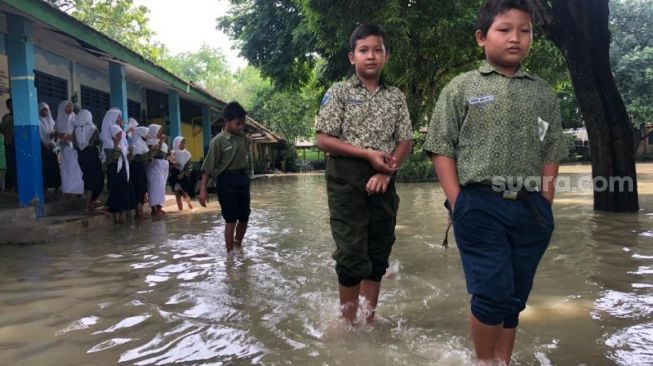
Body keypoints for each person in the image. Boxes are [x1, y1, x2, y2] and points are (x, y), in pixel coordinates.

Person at [423, 1, 568, 363]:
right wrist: (459, 202)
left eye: (525, 30)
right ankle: (484, 361)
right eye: (504, 29)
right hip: (479, 203)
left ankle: (502, 360)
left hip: (530, 207)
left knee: (514, 297)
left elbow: (551, 150)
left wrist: (545, 202)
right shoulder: (462, 88)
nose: (515, 38)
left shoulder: (543, 93)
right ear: (481, 37)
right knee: (491, 293)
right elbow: (441, 146)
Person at [314, 24, 413, 325]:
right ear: (351, 57)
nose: (371, 56)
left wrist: (387, 171)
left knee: (378, 251)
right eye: (363, 50)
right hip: (346, 179)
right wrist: (367, 155)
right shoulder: (339, 92)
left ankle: (368, 320)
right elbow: (323, 139)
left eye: (377, 50)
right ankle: (347, 324)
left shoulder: (395, 97)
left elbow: (405, 139)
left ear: (386, 56)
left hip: (385, 177)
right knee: (350, 255)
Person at [199, 102, 251, 253]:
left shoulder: (243, 139)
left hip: (242, 178)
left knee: (244, 216)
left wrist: (246, 178)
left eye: (243, 124)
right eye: (238, 124)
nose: (241, 127)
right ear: (227, 122)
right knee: (230, 219)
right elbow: (207, 168)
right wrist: (203, 190)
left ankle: (238, 245)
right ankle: (229, 256)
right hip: (226, 180)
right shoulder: (218, 141)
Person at [102, 111, 134, 223]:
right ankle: (114, 213)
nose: (121, 119)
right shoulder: (107, 141)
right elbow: (114, 158)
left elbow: (126, 156)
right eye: (118, 117)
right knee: (116, 191)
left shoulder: (122, 141)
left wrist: (130, 152)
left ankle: (122, 215)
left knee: (123, 191)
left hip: (123, 169)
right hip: (115, 170)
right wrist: (116, 144)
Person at [73, 109, 104, 211]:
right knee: (97, 179)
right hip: (93, 157)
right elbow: (98, 142)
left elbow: (75, 145)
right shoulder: (93, 129)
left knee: (88, 180)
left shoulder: (75, 131)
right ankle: (91, 202)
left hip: (82, 158)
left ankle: (88, 205)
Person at [56, 100, 84, 196]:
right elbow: (56, 133)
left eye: (71, 106)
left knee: (75, 168)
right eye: (68, 106)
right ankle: (67, 189)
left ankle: (77, 189)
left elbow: (79, 131)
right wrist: (60, 136)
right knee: (65, 169)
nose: (70, 109)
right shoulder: (59, 118)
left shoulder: (74, 118)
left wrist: (70, 137)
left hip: (73, 147)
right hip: (64, 148)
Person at [145, 124, 168, 218]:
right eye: (159, 131)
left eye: (161, 131)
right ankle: (154, 208)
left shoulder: (159, 141)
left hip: (162, 165)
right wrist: (161, 142)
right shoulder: (150, 142)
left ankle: (159, 206)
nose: (161, 133)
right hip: (155, 166)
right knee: (155, 187)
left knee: (161, 188)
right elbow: (155, 153)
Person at [38, 102, 61, 193]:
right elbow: (38, 135)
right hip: (42, 148)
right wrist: (44, 144)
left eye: (46, 109)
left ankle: (56, 186)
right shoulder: (38, 121)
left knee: (54, 167)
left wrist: (54, 139)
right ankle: (45, 187)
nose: (44, 111)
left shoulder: (52, 122)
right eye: (42, 109)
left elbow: (56, 135)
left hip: (52, 148)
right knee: (44, 168)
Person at [130, 125, 151, 218]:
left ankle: (140, 211)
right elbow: (140, 157)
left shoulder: (142, 142)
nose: (147, 135)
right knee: (139, 189)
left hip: (141, 168)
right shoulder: (137, 143)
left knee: (142, 189)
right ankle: (138, 212)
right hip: (137, 169)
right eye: (146, 133)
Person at [170, 136, 194, 211]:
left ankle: (190, 207)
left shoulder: (187, 154)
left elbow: (189, 167)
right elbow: (170, 164)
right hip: (175, 175)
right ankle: (181, 210)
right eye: (181, 143)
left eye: (184, 143)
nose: (183, 145)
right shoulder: (172, 153)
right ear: (177, 144)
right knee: (177, 194)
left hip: (184, 176)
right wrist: (172, 165)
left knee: (185, 194)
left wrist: (183, 173)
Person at [0, 98, 16, 191]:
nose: (11, 106)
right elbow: (1, 128)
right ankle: (10, 186)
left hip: (19, 144)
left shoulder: (21, 115)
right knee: (10, 164)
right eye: (9, 105)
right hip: (10, 143)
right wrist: (8, 135)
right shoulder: (7, 117)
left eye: (12, 104)